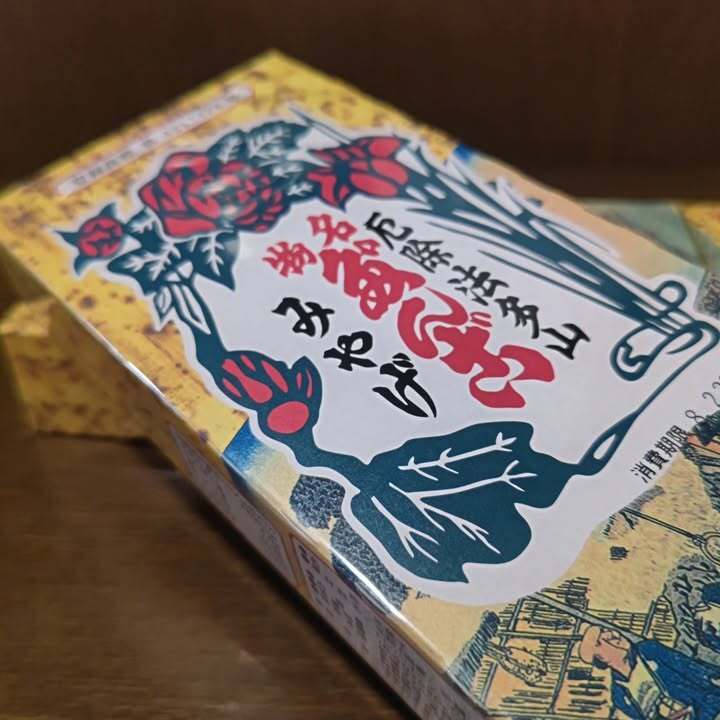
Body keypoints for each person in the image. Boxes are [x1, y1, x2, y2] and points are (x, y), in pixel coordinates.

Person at [577, 624, 720, 719]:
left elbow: (697, 671)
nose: (614, 635)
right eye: (601, 641)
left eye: (605, 630)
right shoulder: (619, 696)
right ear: (601, 658)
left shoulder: (649, 650)